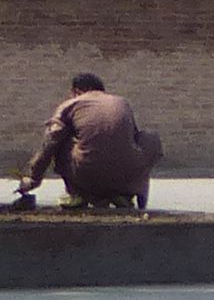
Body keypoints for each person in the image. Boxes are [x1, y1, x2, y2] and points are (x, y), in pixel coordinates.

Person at [13, 75, 159, 211]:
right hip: (126, 176)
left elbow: (50, 142)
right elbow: (130, 139)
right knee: (149, 138)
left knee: (60, 138)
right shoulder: (121, 103)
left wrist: (33, 179)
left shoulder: (70, 105)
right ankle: (122, 194)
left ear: (76, 91)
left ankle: (77, 195)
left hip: (85, 174)